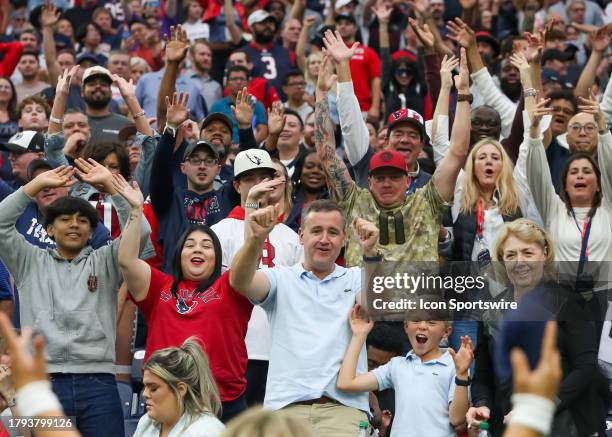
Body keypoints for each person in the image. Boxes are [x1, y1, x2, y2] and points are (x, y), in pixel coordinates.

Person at [0, 164, 150, 437]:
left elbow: (140, 232)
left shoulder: (106, 261)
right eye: (65, 219)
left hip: (100, 385)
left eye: (83, 220)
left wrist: (113, 190)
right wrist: (33, 186)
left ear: (92, 232)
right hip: (46, 382)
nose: (74, 224)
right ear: (49, 230)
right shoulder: (28, 261)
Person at [318, 34, 470, 267]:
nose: (387, 183)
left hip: (418, 303)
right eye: (380, 177)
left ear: (408, 181)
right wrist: (323, 90)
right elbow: (327, 153)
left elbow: (458, 151)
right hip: (365, 301)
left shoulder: (425, 202)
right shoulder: (355, 201)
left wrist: (462, 95)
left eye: (394, 176)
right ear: (369, 181)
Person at [229, 200, 378, 436]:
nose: (324, 239)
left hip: (343, 412)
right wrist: (255, 239)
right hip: (285, 412)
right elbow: (240, 282)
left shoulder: (355, 276)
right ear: (301, 236)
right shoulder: (280, 278)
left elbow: (374, 305)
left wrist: (370, 254)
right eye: (316, 231)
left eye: (333, 232)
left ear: (345, 238)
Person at [118, 173, 253, 421]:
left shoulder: (230, 286)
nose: (198, 249)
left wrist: (255, 235)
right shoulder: (159, 286)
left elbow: (247, 264)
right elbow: (126, 260)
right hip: (167, 402)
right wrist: (136, 210)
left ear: (218, 257)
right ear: (179, 254)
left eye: (206, 245)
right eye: (190, 244)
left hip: (223, 404)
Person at [466, 219, 606, 436]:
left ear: (545, 254)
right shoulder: (490, 311)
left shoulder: (571, 303)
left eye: (528, 253)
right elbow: (483, 376)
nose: (519, 261)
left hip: (567, 426)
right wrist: (481, 404)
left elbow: (585, 369)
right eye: (511, 255)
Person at [211, 152, 302, 407]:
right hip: (234, 350)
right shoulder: (218, 232)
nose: (260, 184)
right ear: (237, 185)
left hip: (281, 350)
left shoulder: (291, 237)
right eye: (251, 179)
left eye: (265, 177)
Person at [336, 305, 474, 436]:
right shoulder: (396, 365)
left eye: (431, 322)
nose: (422, 326)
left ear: (446, 332)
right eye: (416, 320)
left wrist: (461, 374)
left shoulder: (453, 365)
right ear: (406, 326)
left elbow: (457, 419)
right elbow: (346, 383)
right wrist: (359, 335)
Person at [150, 92, 242, 273]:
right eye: (195, 160)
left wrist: (245, 128)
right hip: (175, 290)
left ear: (219, 168)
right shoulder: (169, 199)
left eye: (209, 161)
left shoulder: (227, 197)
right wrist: (170, 129)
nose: (202, 166)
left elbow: (251, 171)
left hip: (216, 290)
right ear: (183, 167)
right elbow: (159, 168)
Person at [526, 93, 612, 261]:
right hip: (561, 287)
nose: (580, 175)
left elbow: (609, 168)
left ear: (599, 185)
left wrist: (602, 127)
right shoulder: (554, 210)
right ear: (564, 184)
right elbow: (537, 174)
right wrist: (534, 134)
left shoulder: (608, 208)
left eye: (587, 172)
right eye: (573, 172)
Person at [134, 338, 225, 437]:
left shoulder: (207, 432)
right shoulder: (146, 423)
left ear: (181, 389)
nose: (144, 394)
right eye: (145, 387)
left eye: (153, 388)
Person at [209, 66, 268, 144]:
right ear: (227, 83)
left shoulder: (257, 105)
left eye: (242, 79)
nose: (238, 82)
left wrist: (247, 146)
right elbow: (210, 131)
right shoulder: (217, 106)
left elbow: (263, 132)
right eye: (234, 79)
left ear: (248, 82)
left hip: (249, 149)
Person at [81, 65, 131, 143]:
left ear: (111, 93)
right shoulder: (73, 124)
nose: (98, 86)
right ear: (82, 91)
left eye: (103, 84)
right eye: (92, 84)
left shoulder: (126, 125)